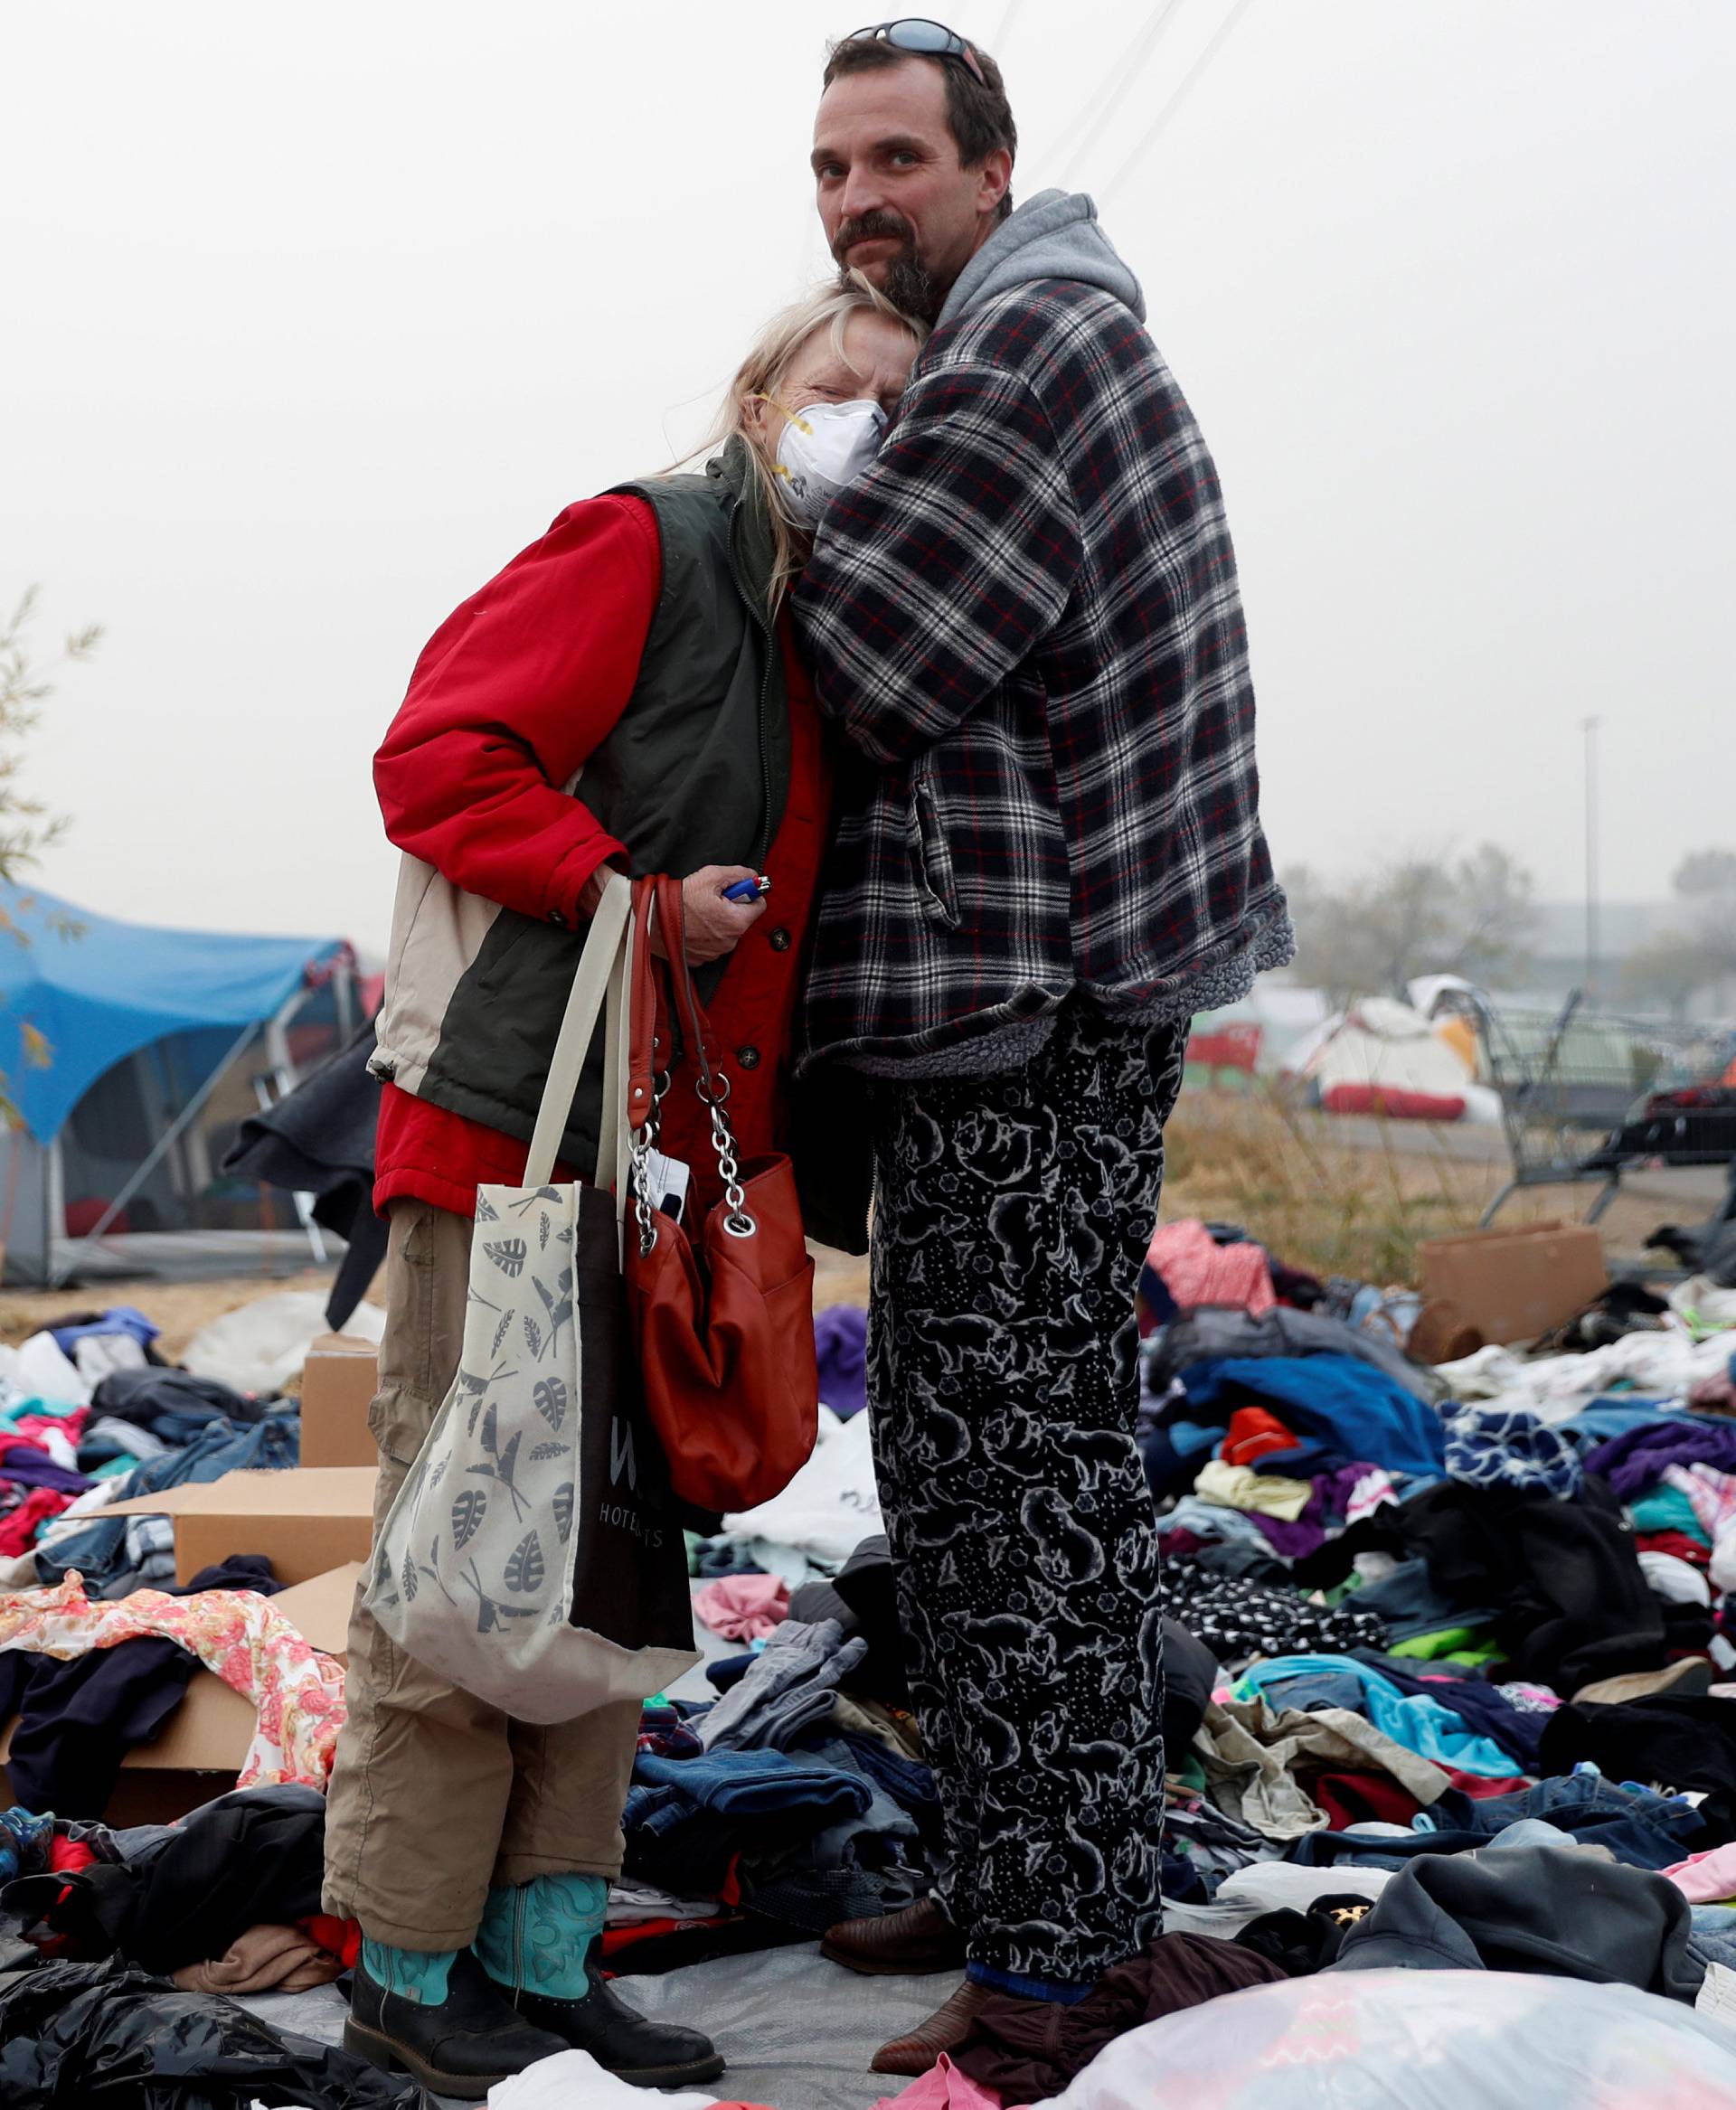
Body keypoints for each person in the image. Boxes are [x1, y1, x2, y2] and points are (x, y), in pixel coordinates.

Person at [323, 278, 923, 2100]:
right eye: (843, 388)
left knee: (612, 1562)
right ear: (762, 387)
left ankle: (546, 1952)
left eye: (904, 411)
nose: (863, 429)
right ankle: (408, 1961)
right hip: (512, 1134)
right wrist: (630, 895)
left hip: (656, 1164)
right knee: (461, 1543)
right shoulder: (644, 547)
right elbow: (435, 758)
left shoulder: (820, 622)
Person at [794, 23, 1294, 2077]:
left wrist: (805, 469)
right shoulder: (1023, 335)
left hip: (1037, 1004)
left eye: (894, 159)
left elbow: (869, 653)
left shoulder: (1028, 348)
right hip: (1031, 998)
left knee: (1017, 1487)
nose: (852, 203)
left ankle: (1061, 1957)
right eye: (828, 169)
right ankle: (1034, 1877)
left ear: (991, 169)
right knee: (979, 1463)